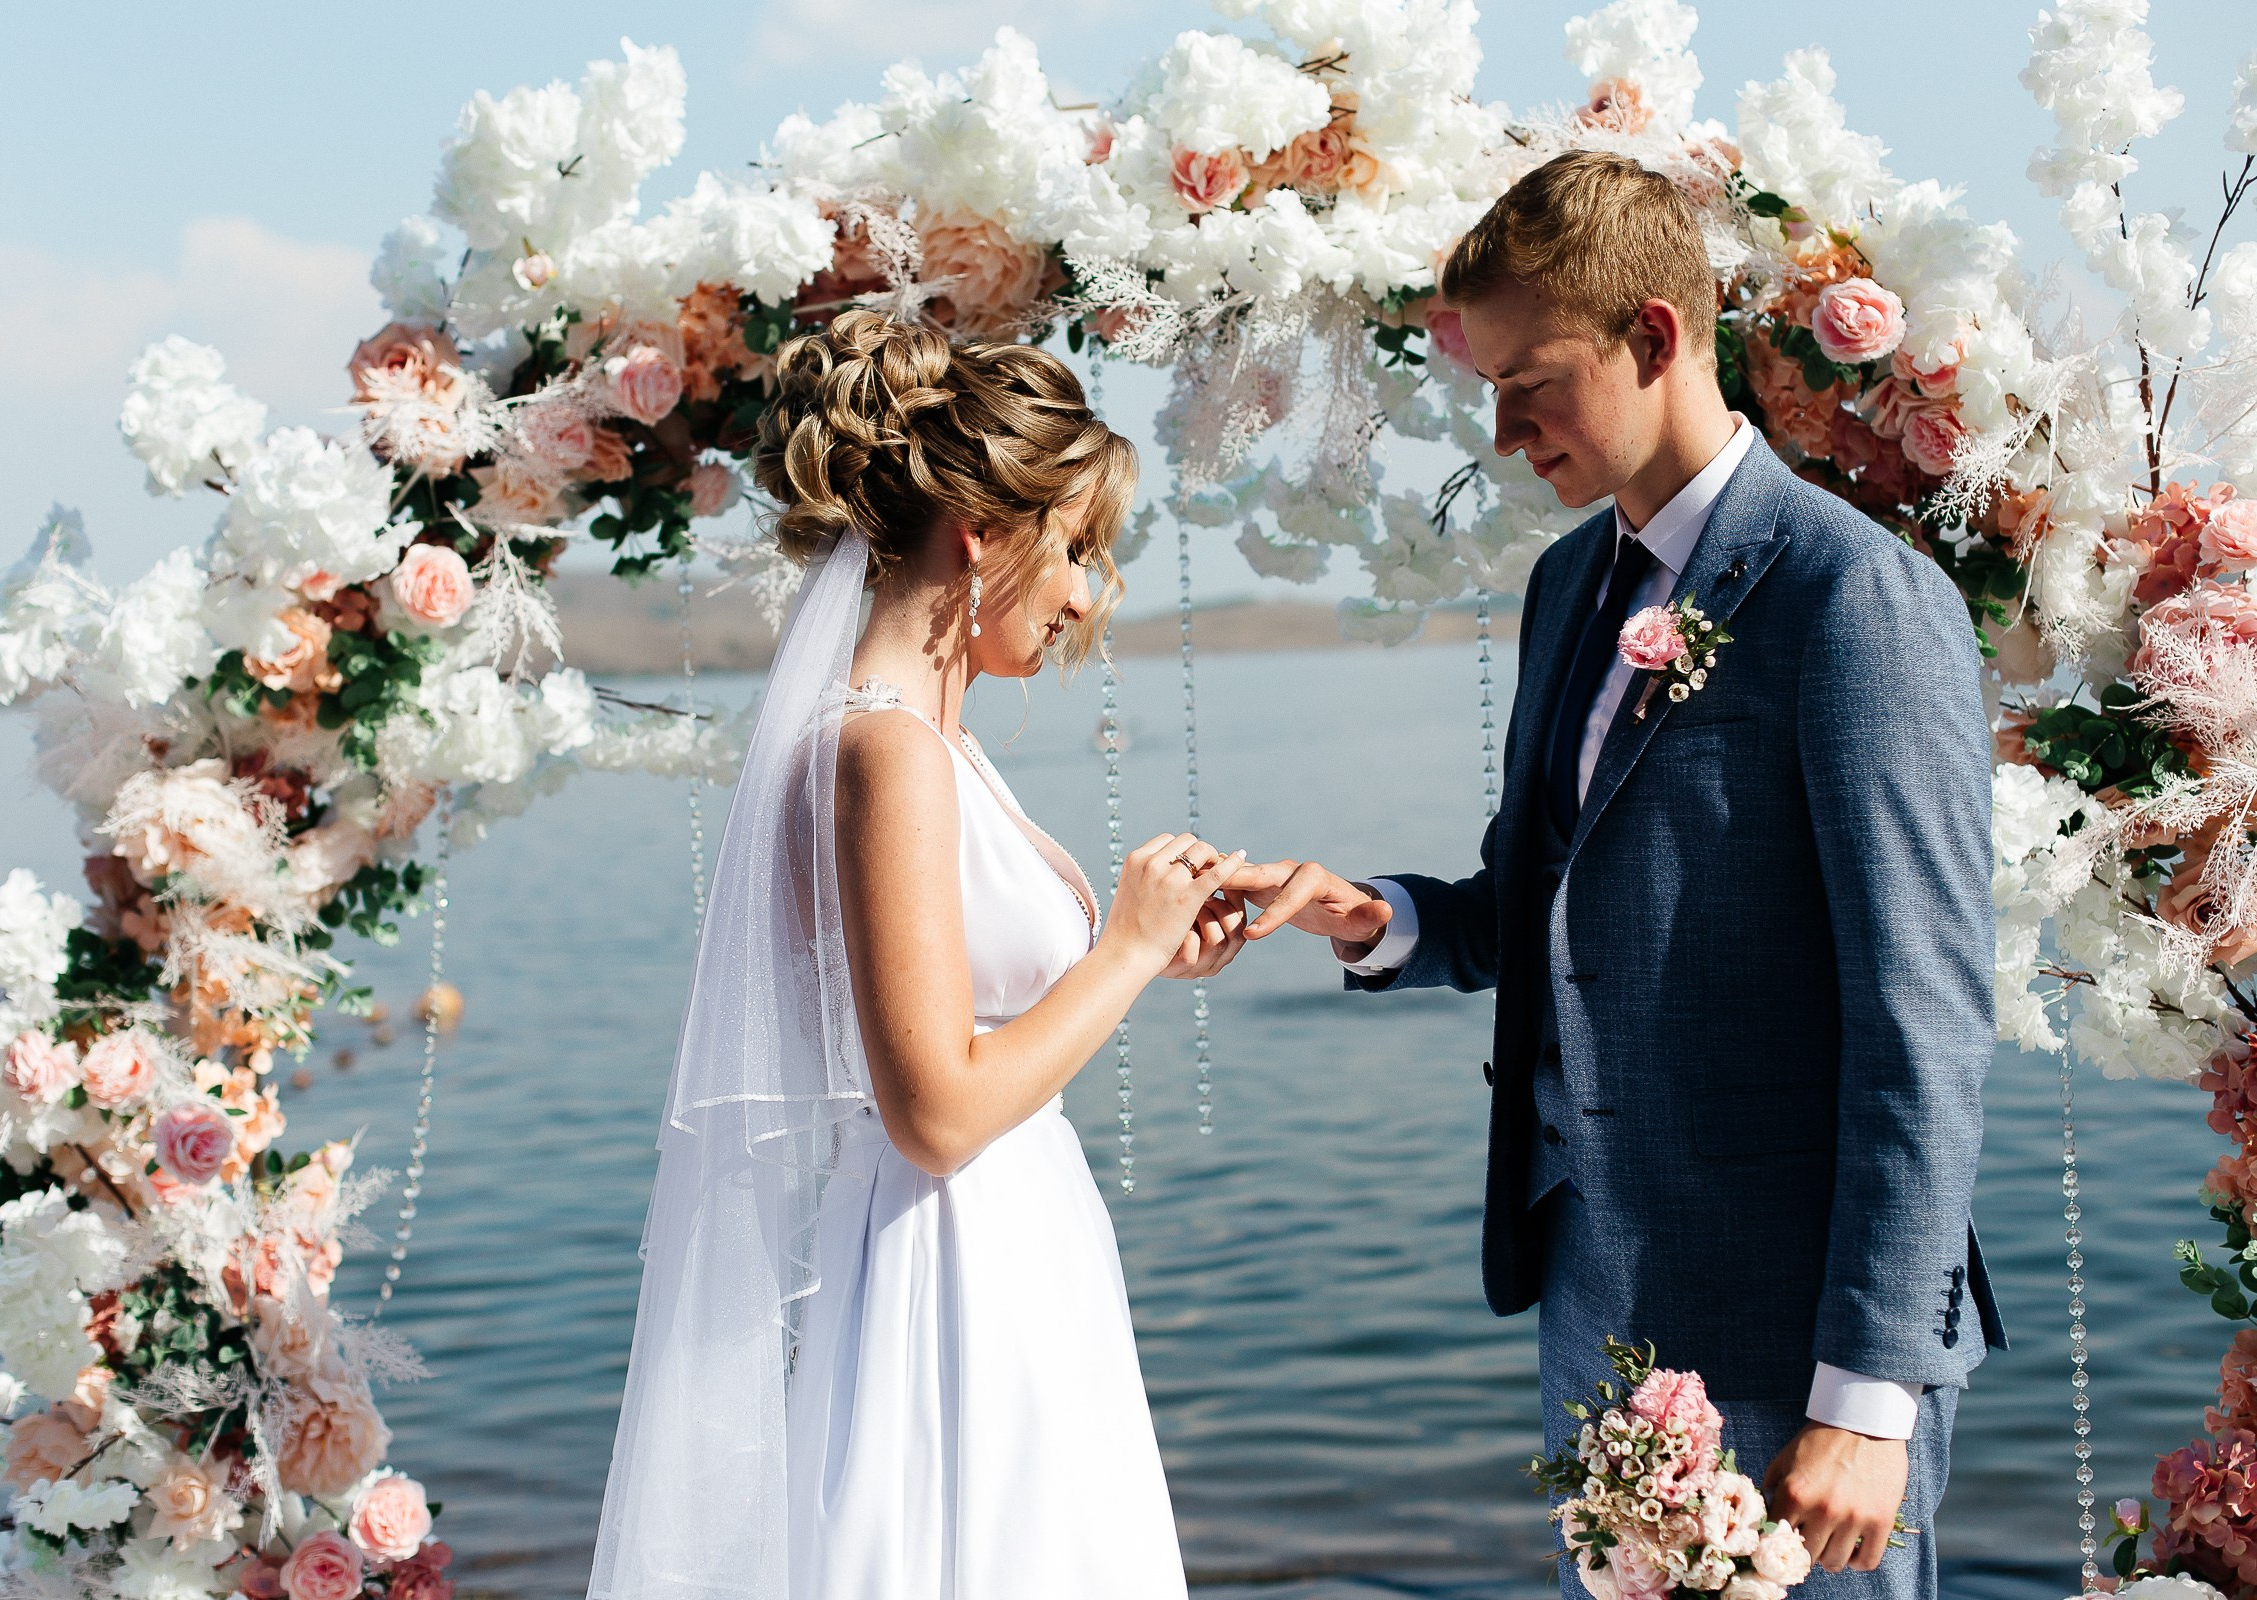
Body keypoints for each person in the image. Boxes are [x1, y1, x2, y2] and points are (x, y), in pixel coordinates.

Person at [1227, 151, 2004, 1597]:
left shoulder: (1857, 598)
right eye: (1490, 386)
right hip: (1596, 1305)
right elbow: (1545, 902)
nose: (1503, 429)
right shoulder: (1567, 586)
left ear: (1654, 336)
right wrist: (1376, 917)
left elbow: (1926, 1021)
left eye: (1533, 380)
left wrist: (1868, 1394)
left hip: (1795, 1337)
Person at [590, 309, 1238, 1600]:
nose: (1085, 596)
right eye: (1076, 548)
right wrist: (1121, 951)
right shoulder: (886, 752)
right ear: (981, 530)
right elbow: (936, 1111)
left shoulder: (931, 746)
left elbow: (963, 1012)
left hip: (1010, 1243)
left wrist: (1151, 947)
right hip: (958, 1264)